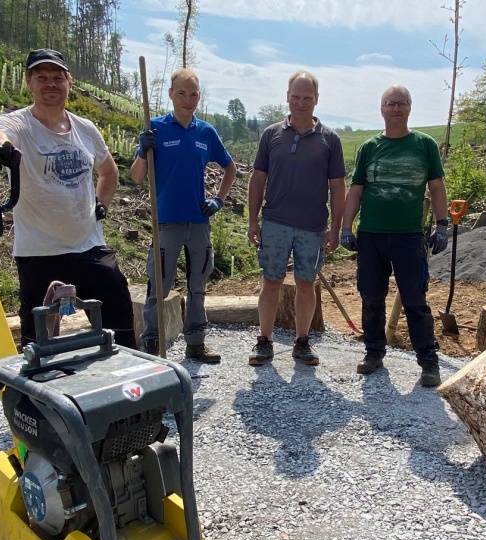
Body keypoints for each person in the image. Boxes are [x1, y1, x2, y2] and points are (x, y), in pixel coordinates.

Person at [0, 49, 136, 349]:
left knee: (118, 316)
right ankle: (36, 391)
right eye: (42, 78)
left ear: (69, 82)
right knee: (37, 333)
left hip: (88, 244)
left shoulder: (85, 128)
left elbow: (108, 171)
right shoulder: (17, 124)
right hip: (39, 249)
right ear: (29, 82)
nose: (50, 84)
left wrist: (100, 205)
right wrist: (2, 149)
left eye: (57, 78)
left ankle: (126, 382)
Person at [340, 85, 449, 387]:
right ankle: (374, 352)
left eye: (402, 103)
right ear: (382, 109)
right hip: (371, 235)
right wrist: (346, 227)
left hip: (408, 236)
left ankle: (428, 361)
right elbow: (356, 190)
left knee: (415, 300)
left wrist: (442, 225)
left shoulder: (424, 144)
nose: (396, 108)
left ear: (410, 108)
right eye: (390, 103)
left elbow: (437, 187)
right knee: (371, 298)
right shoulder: (369, 148)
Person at [131, 68, 236, 363]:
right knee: (158, 286)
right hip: (165, 221)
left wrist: (218, 199)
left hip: (199, 222)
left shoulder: (206, 132)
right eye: (182, 93)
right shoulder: (155, 128)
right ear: (170, 94)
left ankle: (196, 344)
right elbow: (137, 177)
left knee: (197, 285)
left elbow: (230, 169)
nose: (188, 100)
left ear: (199, 97)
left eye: (193, 95)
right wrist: (143, 150)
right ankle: (152, 344)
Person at [247, 71, 346, 367]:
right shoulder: (271, 135)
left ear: (316, 100)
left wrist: (336, 229)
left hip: (313, 227)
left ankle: (302, 342)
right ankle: (264, 341)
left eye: (307, 98)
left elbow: (337, 187)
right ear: (287, 97)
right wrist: (253, 221)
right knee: (272, 281)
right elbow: (258, 179)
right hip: (275, 222)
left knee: (306, 283)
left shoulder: (330, 139)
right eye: (296, 97)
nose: (301, 103)